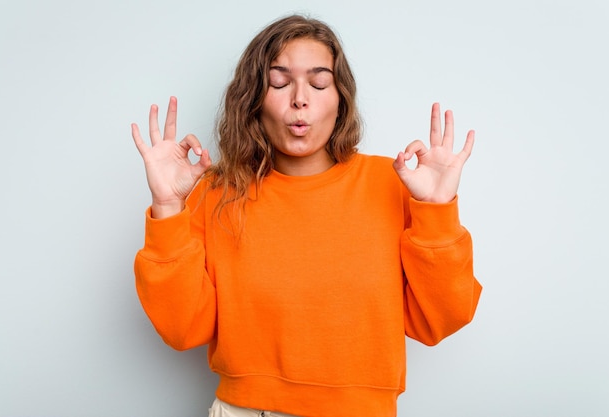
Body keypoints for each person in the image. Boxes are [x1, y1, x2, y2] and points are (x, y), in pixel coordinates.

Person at [131, 14, 482, 417]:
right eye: (279, 82)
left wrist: (437, 212)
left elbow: (441, 320)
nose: (301, 98)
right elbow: (183, 329)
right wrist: (167, 206)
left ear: (340, 99)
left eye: (318, 82)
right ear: (254, 99)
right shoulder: (217, 192)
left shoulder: (394, 184)